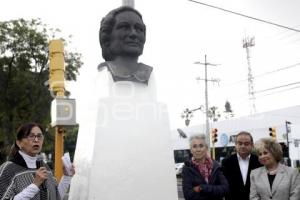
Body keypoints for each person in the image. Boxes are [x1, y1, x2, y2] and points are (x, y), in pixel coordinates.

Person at [0, 122, 75, 200]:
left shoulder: (44, 166)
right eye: (31, 136)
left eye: (39, 136)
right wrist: (35, 185)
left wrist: (66, 177)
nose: (36, 140)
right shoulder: (8, 169)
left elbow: (55, 196)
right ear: (19, 143)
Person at [98, 6, 153, 84]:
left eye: (139, 29)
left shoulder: (149, 74)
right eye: (124, 27)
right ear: (107, 36)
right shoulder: (104, 74)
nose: (133, 34)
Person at [182, 134, 229, 200]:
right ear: (191, 150)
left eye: (201, 146)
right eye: (194, 146)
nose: (198, 149)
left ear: (206, 148)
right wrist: (214, 193)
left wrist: (201, 188)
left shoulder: (215, 166)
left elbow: (225, 189)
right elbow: (188, 195)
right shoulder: (187, 168)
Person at [221, 131, 262, 200]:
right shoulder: (226, 162)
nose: (243, 146)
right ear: (235, 144)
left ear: (252, 145)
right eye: (240, 143)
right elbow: (224, 186)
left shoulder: (259, 161)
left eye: (246, 144)